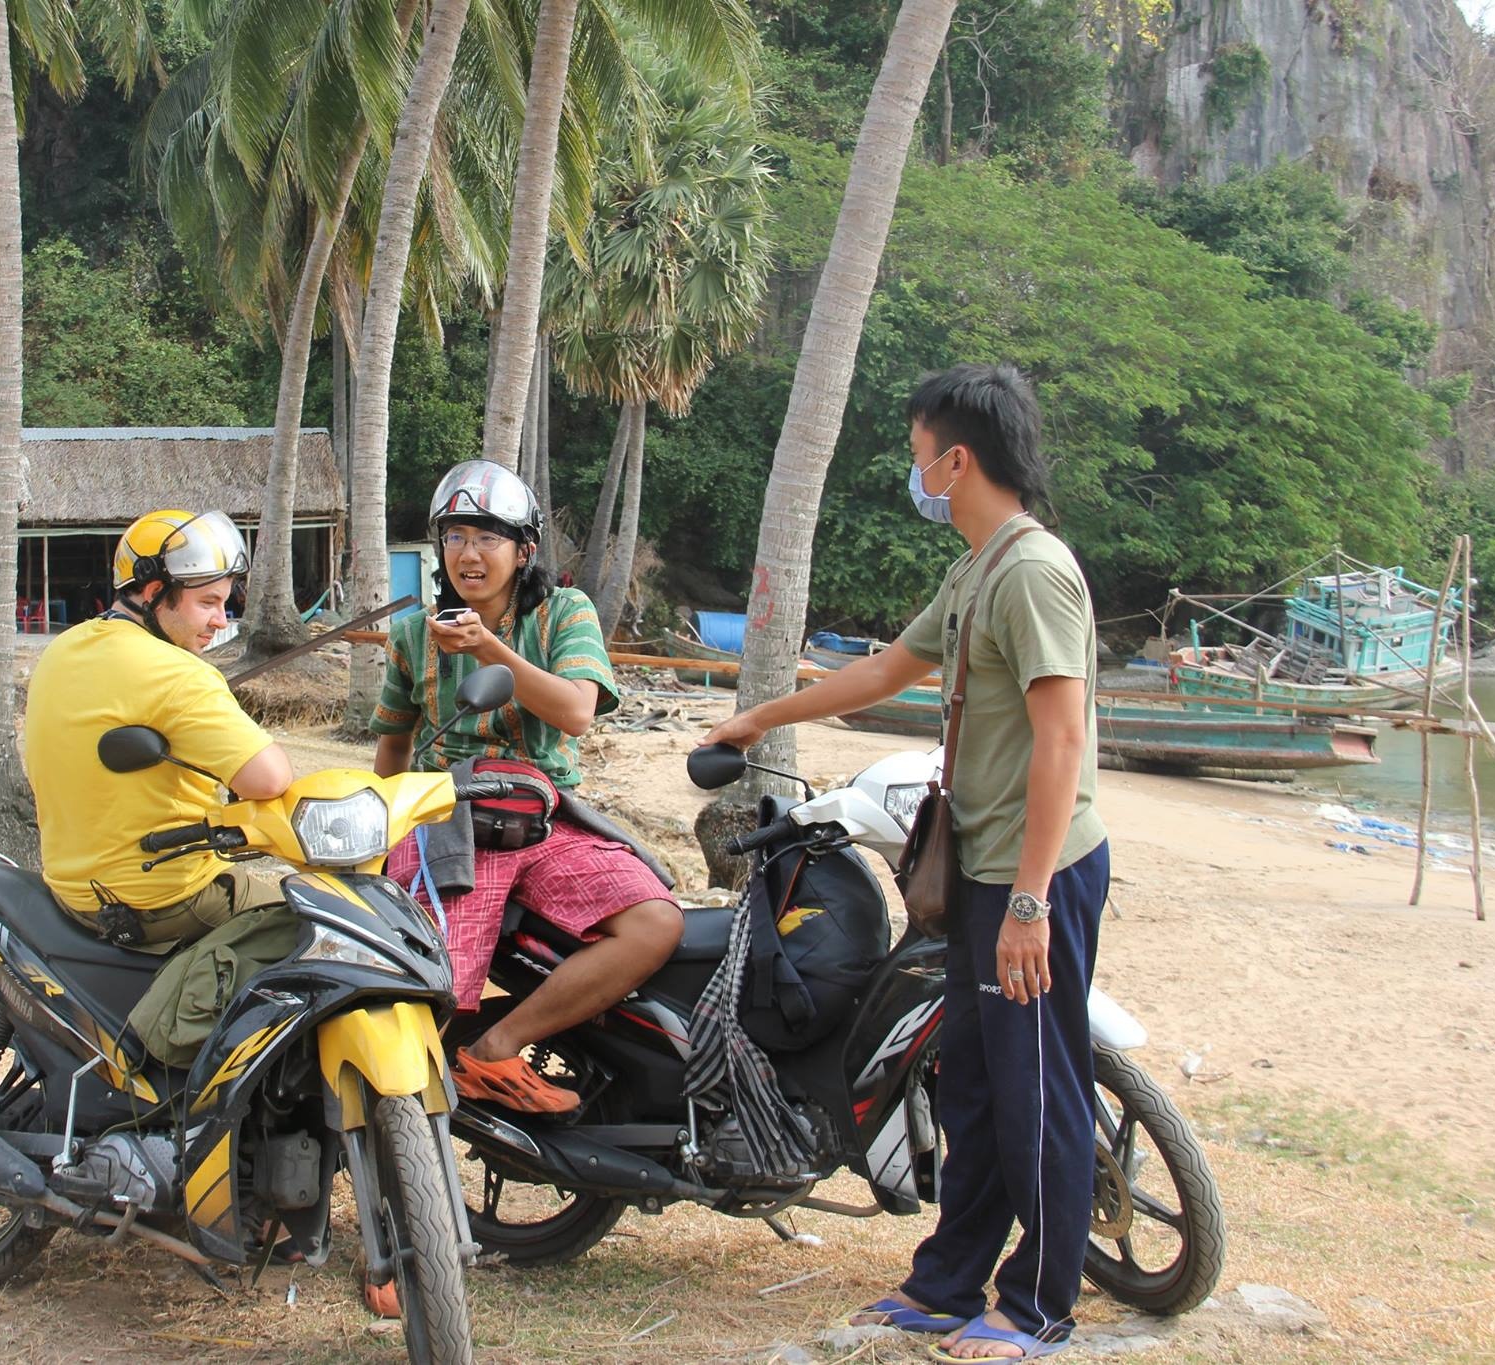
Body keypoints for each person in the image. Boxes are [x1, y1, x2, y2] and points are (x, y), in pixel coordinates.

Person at [703, 365, 1109, 1362]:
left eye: (918, 453)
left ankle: (1036, 1306)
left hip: (1032, 875)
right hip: (979, 869)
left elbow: (1061, 743)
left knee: (1034, 1084)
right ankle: (946, 1282)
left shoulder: (1032, 572)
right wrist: (764, 714)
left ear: (956, 459)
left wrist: (1026, 901)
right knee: (968, 1080)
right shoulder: (976, 568)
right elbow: (888, 668)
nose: (913, 471)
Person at [372, 459, 683, 1114]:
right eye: (455, 536)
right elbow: (395, 747)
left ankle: (498, 1045)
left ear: (524, 550)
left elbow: (575, 709)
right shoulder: (411, 635)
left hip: (545, 812)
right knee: (432, 987)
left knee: (656, 922)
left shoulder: (565, 611)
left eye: (488, 537)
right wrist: (381, 833)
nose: (469, 553)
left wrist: (491, 651)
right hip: (446, 813)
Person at [23, 508, 293, 954]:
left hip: (73, 894)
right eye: (207, 602)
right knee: (317, 935)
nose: (221, 621)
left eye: (224, 604)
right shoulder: (179, 673)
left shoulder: (62, 649)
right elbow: (269, 779)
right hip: (166, 900)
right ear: (154, 593)